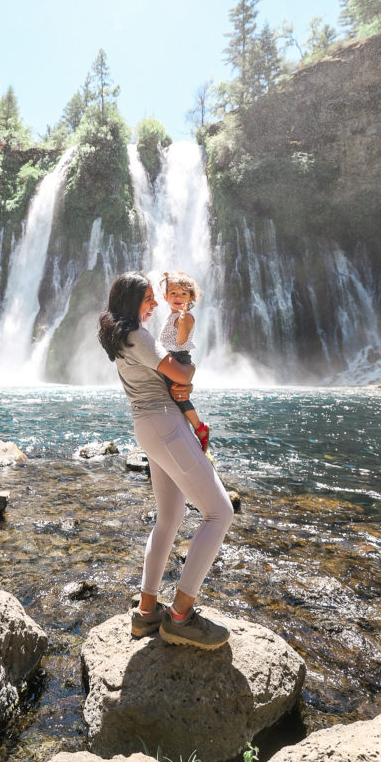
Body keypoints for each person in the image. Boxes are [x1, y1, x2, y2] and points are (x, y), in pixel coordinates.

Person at [98, 271, 233, 650]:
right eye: (148, 300)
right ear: (131, 303)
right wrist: (188, 372)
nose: (155, 304)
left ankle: (146, 613)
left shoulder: (120, 337)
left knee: (170, 518)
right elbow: (180, 372)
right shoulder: (136, 336)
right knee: (220, 513)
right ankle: (180, 616)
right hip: (165, 426)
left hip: (149, 427)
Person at [158, 270, 210, 452]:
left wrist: (181, 321)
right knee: (173, 395)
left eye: (183, 294)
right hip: (170, 356)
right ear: (165, 296)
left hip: (178, 357)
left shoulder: (186, 317)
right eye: (173, 293)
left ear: (191, 297)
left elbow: (181, 341)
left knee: (179, 396)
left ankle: (199, 427)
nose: (178, 297)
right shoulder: (171, 315)